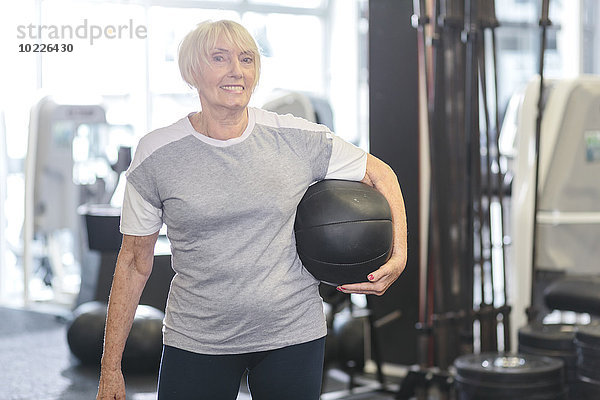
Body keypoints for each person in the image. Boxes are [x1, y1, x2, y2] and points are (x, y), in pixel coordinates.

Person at [96, 19, 407, 400]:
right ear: (191, 71)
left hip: (292, 333)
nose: (236, 71)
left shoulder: (295, 138)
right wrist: (110, 368)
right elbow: (133, 262)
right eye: (219, 58)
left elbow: (380, 172)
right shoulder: (156, 155)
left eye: (246, 59)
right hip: (198, 337)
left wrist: (399, 255)